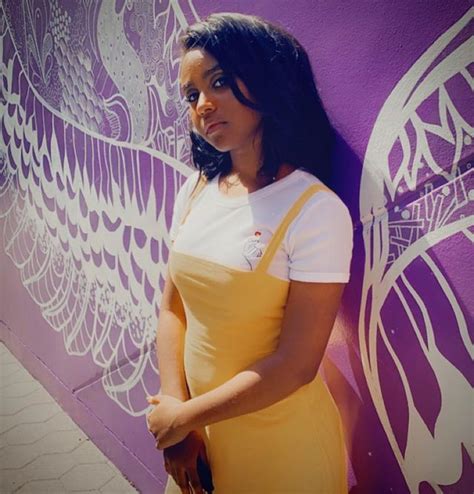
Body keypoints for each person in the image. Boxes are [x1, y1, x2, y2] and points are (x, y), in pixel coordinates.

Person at [146, 12, 353, 494]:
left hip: (282, 452)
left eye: (218, 81)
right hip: (198, 442)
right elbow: (173, 309)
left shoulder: (315, 210)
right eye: (191, 94)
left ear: (266, 77)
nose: (203, 104)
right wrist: (177, 420)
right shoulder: (196, 189)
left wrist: (183, 416)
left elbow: (297, 365)